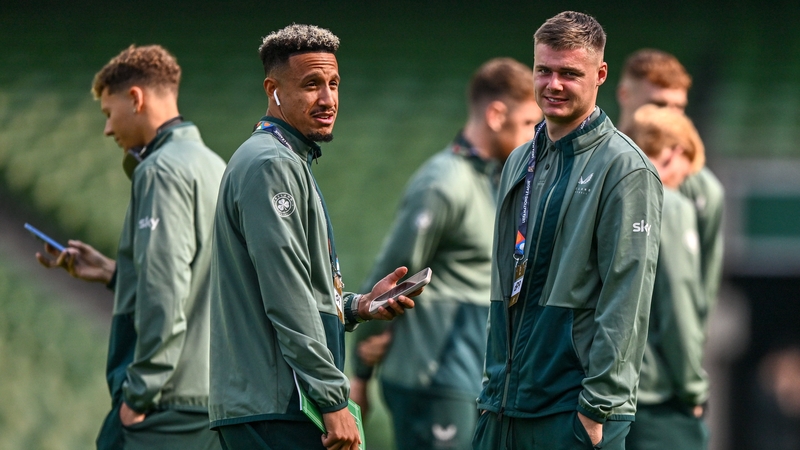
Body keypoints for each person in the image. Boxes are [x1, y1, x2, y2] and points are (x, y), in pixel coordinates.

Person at [208, 24, 416, 450]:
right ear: (274, 90)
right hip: (278, 407)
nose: (328, 99)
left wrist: (357, 306)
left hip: (274, 403)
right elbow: (286, 295)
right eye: (311, 85)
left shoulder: (286, 158)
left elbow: (297, 287)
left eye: (334, 83)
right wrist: (332, 398)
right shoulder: (271, 164)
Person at [472, 11, 663, 450]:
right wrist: (493, 387)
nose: (553, 84)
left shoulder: (625, 169)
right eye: (544, 70)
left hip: (573, 411)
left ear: (600, 75)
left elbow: (627, 297)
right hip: (503, 404)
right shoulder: (520, 160)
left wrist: (596, 409)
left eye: (569, 74)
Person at [36, 45, 225, 449]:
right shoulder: (215, 166)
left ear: (135, 98)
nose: (107, 129)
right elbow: (202, 277)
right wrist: (113, 273)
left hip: (166, 404)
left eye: (108, 113)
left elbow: (167, 288)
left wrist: (139, 395)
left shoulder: (159, 170)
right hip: (216, 399)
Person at [349, 58, 541, 450]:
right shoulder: (443, 183)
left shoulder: (497, 181)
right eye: (527, 124)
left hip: (474, 380)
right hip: (435, 380)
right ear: (495, 114)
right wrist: (361, 369)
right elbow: (392, 274)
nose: (534, 137)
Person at [624, 104, 709, 450]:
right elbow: (678, 301)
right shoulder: (669, 205)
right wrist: (693, 388)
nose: (683, 182)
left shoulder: (605, 196)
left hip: (601, 393)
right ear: (675, 153)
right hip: (657, 398)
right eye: (686, 172)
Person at [617, 49, 725, 309]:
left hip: (664, 346)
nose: (671, 117)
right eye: (658, 104)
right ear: (624, 95)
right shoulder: (590, 168)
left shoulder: (704, 189)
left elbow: (702, 292)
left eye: (679, 107)